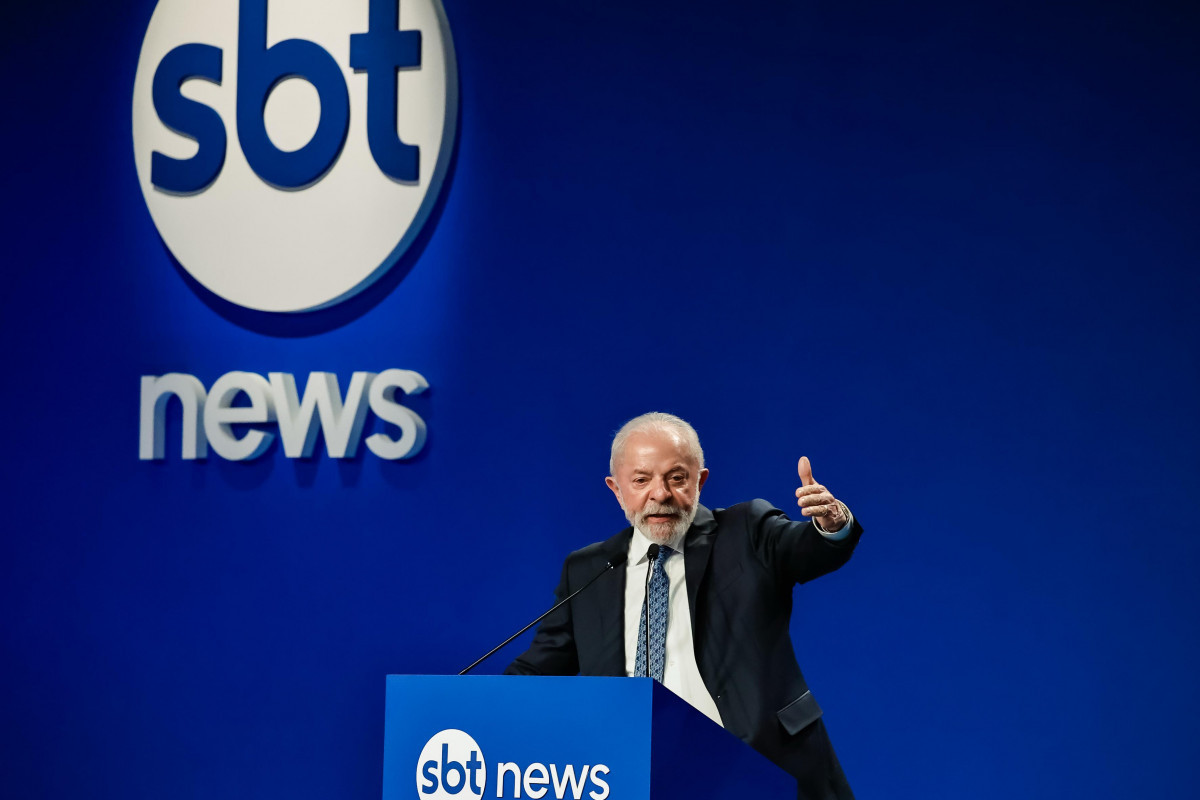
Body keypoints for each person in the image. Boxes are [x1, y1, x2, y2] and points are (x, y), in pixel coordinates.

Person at [505, 412, 862, 800]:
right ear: (616, 489)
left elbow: (807, 549)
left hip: (760, 771)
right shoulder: (588, 569)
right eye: (641, 480)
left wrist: (831, 523)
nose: (660, 494)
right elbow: (537, 672)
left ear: (699, 481)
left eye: (676, 478)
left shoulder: (746, 530)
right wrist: (470, 706)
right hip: (643, 778)